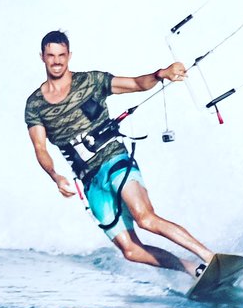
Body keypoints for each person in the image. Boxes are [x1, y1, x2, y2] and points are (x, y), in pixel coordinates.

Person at [25, 30, 214, 275]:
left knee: (145, 218)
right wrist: (55, 175)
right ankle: (194, 270)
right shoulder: (35, 104)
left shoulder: (91, 81)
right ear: (42, 57)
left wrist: (161, 74)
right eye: (51, 56)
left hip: (115, 160)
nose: (57, 61)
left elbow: (136, 83)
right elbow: (40, 147)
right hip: (90, 181)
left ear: (69, 55)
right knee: (131, 251)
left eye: (61, 55)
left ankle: (210, 257)